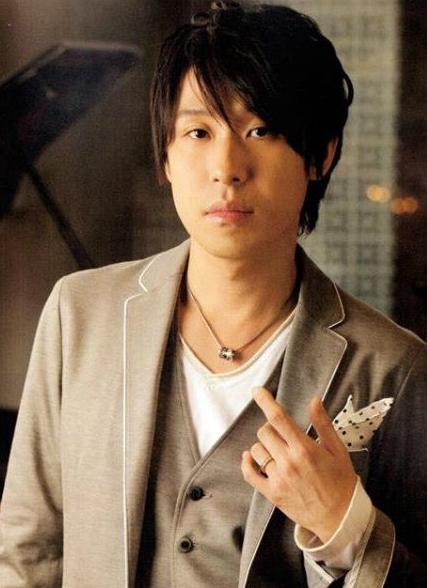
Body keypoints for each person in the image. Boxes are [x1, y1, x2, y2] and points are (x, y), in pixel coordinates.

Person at [1, 2, 426, 587]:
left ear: (321, 154)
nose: (227, 166)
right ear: (166, 154)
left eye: (261, 130)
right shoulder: (79, 315)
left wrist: (346, 528)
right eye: (199, 132)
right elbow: (28, 554)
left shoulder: (393, 366)